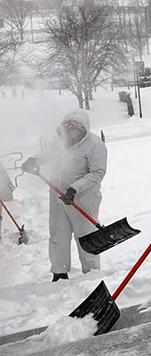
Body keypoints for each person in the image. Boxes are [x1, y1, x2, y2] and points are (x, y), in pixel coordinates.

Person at [21, 110, 107, 281]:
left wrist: (74, 189)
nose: (69, 135)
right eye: (67, 131)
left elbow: (97, 173)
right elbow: (50, 155)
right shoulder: (60, 140)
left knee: (86, 236)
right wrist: (35, 161)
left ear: (82, 130)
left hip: (82, 199)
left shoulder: (95, 145)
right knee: (58, 234)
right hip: (58, 195)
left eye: (74, 132)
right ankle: (60, 272)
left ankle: (91, 273)